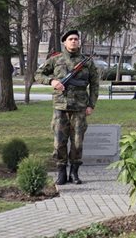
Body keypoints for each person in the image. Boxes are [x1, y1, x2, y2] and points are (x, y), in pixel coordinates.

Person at [34, 30, 99, 185]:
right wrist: (52, 82)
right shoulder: (55, 60)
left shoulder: (87, 62)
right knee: (59, 142)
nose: (74, 41)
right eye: (70, 39)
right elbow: (38, 74)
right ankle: (61, 172)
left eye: (76, 39)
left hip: (80, 107)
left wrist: (91, 105)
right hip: (60, 107)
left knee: (77, 143)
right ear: (64, 42)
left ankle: (74, 173)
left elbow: (95, 84)